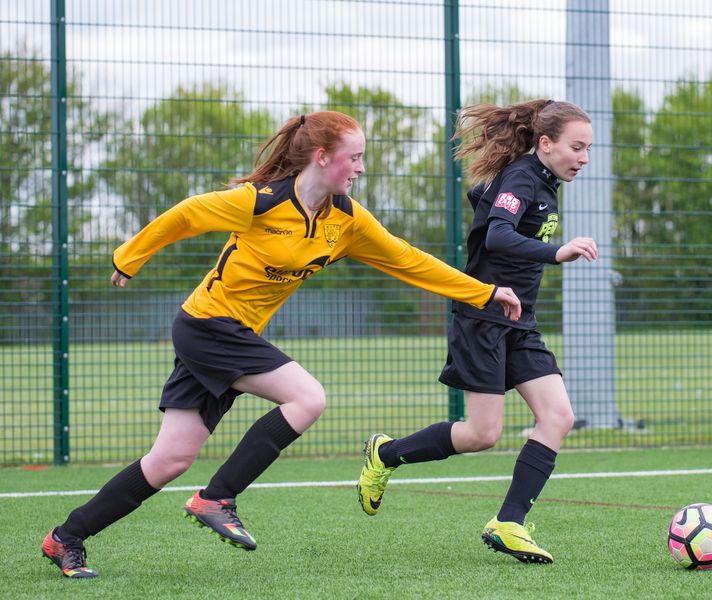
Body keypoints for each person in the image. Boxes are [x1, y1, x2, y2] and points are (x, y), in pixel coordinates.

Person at [40, 110, 523, 579]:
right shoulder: (259, 202)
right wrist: (129, 257)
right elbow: (186, 215)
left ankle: (66, 537)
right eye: (353, 158)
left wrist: (482, 292)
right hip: (207, 324)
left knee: (169, 460)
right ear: (321, 156)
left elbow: (407, 259)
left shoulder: (347, 221)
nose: (360, 168)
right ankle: (217, 497)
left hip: (232, 335)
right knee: (308, 397)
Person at [357, 99, 598, 564]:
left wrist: (484, 196)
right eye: (576, 147)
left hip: (520, 322)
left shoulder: (541, 179)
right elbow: (497, 235)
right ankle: (385, 455)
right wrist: (557, 252)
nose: (583, 158)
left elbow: (491, 205)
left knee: (559, 417)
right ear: (545, 143)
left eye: (588, 149)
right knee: (481, 433)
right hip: (483, 318)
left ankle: (508, 523)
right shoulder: (524, 176)